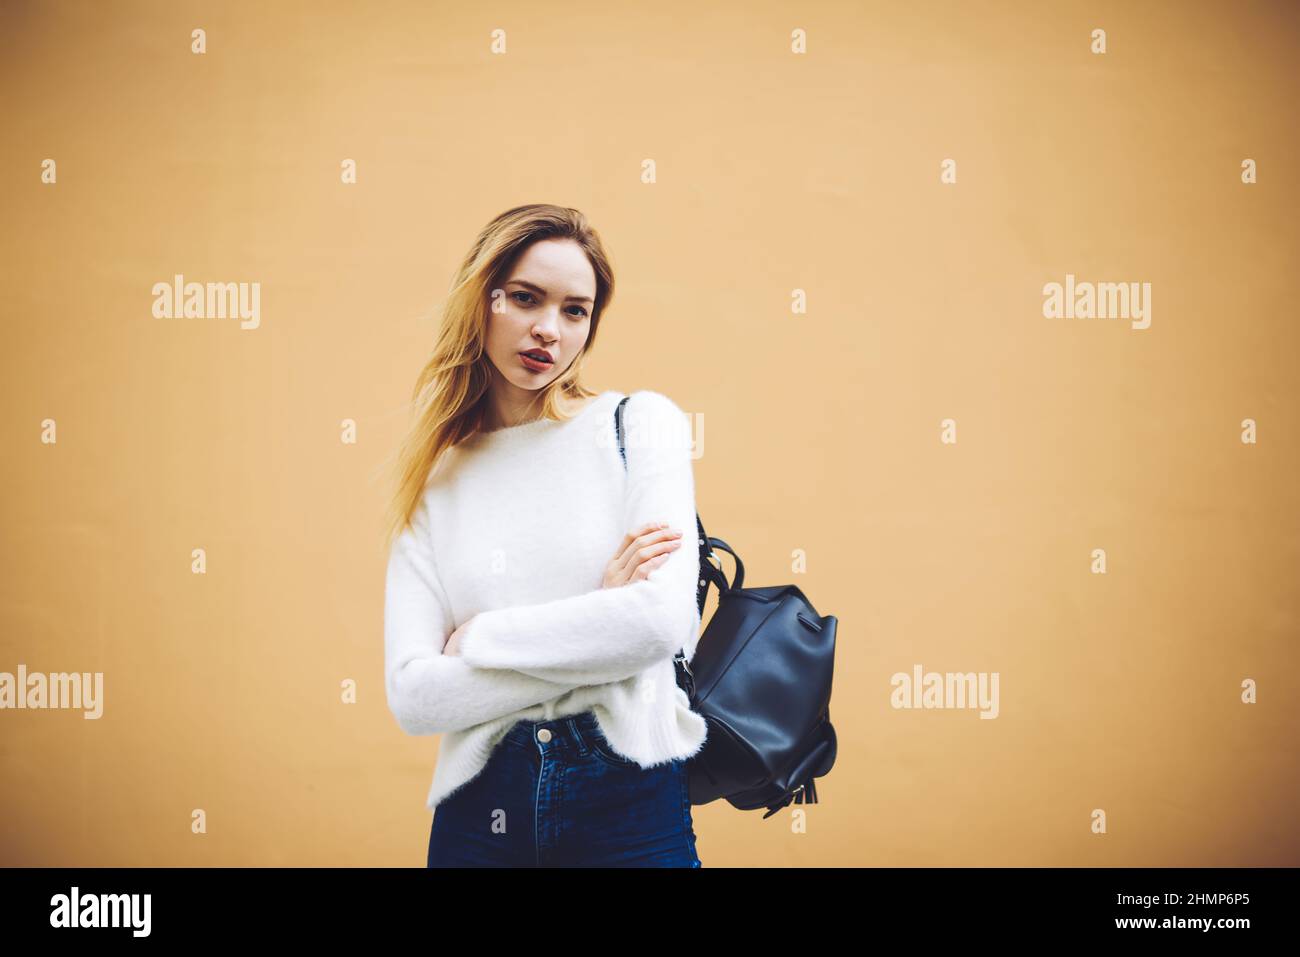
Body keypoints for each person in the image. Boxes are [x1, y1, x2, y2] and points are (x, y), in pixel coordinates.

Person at [382, 204, 708, 867]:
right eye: (526, 299)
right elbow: (415, 696)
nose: (547, 330)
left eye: (574, 310)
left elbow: (658, 624)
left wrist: (480, 640)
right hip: (479, 812)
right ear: (484, 299)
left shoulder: (640, 425)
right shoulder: (437, 477)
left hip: (628, 800)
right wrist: (596, 617)